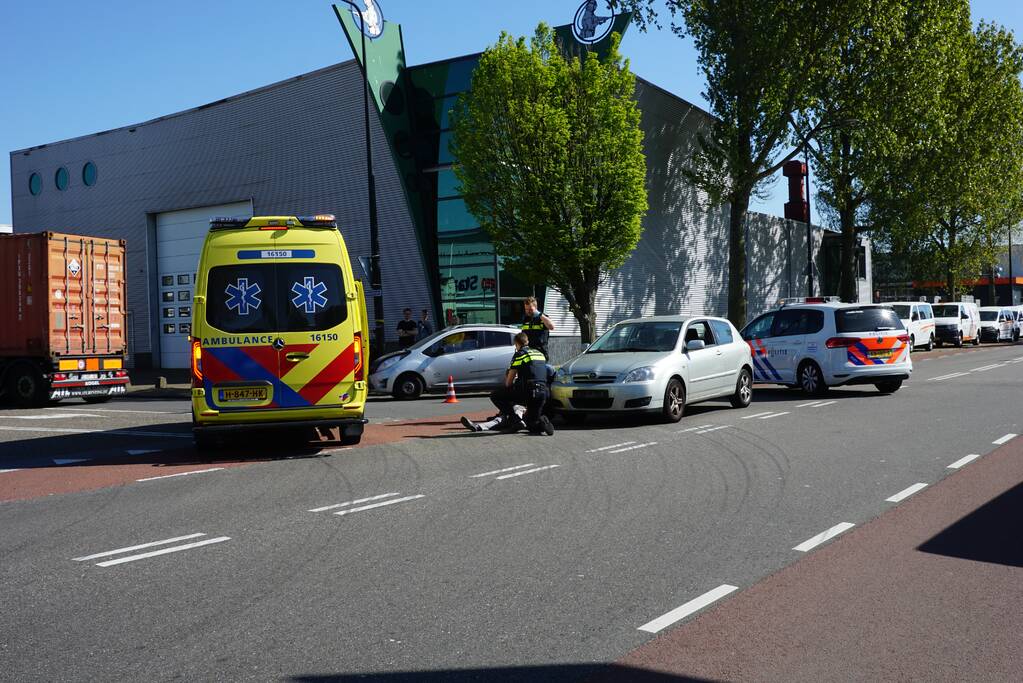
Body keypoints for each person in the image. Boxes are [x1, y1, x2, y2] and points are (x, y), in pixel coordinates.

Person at [461, 332, 554, 436]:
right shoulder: (539, 353)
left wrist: (511, 384)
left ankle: (516, 420)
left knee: (496, 395)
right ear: (527, 341)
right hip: (543, 393)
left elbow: (508, 383)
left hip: (528, 391)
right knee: (532, 425)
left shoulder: (520, 354)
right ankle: (543, 422)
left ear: (516, 344)